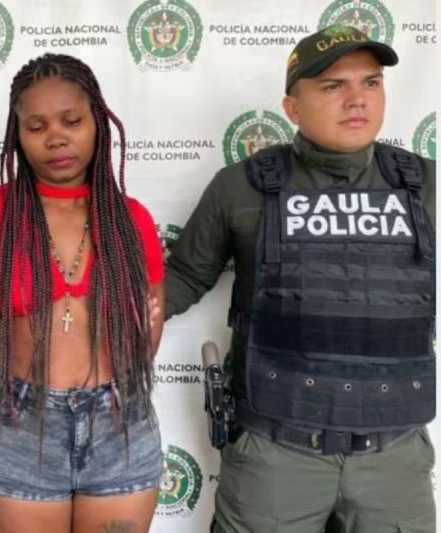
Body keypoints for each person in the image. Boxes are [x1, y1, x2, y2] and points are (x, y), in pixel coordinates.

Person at [164, 25, 435, 533]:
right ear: (292, 107)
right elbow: (181, 277)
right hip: (275, 455)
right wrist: (102, 317)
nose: (357, 99)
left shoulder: (427, 186)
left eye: (371, 83)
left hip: (394, 462)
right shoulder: (242, 187)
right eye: (333, 86)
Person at [0, 53, 166, 533]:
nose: (56, 137)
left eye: (72, 121)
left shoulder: (131, 219)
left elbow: (149, 325)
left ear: (97, 123)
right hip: (22, 425)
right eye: (36, 126)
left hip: (120, 429)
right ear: (17, 135)